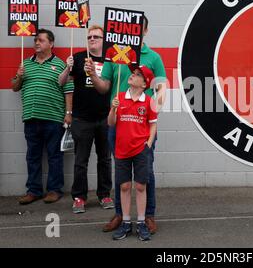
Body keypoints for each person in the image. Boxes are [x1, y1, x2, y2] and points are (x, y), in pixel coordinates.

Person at [85, 15, 166, 234]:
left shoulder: (154, 58)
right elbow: (104, 87)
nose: (135, 32)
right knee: (121, 175)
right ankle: (121, 216)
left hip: (141, 125)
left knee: (145, 172)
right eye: (131, 29)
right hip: (118, 124)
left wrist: (153, 105)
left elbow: (161, 87)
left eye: (140, 29)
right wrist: (93, 74)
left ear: (146, 32)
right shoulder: (115, 56)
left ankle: (147, 216)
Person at [12, 28, 73, 204]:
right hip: (31, 118)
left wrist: (68, 114)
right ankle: (34, 190)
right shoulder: (26, 64)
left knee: (54, 156)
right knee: (33, 156)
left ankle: (55, 190)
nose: (37, 43)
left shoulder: (61, 65)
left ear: (51, 44)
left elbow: (68, 90)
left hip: (54, 118)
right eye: (35, 40)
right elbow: (15, 87)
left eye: (41, 40)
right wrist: (19, 76)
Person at [59, 25, 114, 213]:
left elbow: (109, 87)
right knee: (80, 160)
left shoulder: (110, 60)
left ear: (103, 40)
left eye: (96, 37)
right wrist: (68, 67)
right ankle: (79, 197)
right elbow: (61, 82)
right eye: (89, 36)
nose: (92, 39)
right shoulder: (79, 57)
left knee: (104, 159)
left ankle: (104, 194)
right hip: (82, 118)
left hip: (105, 118)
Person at [108, 65, 157, 241]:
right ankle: (126, 223)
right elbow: (111, 123)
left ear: (144, 84)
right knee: (124, 186)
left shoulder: (149, 101)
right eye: (133, 73)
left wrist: (148, 144)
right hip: (122, 149)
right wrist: (113, 109)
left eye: (137, 75)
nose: (132, 75)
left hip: (141, 150)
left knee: (141, 186)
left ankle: (142, 222)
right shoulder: (119, 97)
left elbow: (153, 124)